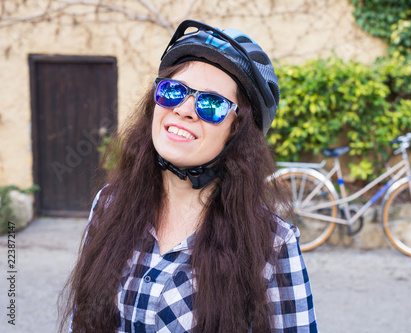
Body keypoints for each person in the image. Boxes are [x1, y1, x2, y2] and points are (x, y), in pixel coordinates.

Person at [60, 20, 317, 332]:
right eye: (173, 91)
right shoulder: (109, 205)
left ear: (238, 132)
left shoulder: (273, 243)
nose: (184, 109)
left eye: (211, 104)